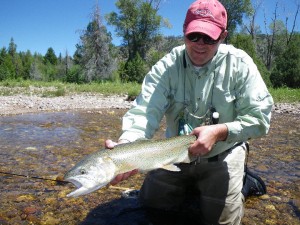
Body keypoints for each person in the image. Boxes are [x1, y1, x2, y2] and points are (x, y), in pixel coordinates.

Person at [105, 0, 273, 224]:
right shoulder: (166, 67)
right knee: (150, 205)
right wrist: (127, 146)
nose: (200, 44)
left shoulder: (240, 64)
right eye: (193, 36)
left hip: (223, 152)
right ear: (184, 31)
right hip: (173, 153)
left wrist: (221, 131)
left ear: (223, 36)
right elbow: (145, 111)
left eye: (209, 38)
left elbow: (260, 118)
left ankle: (242, 183)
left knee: (222, 221)